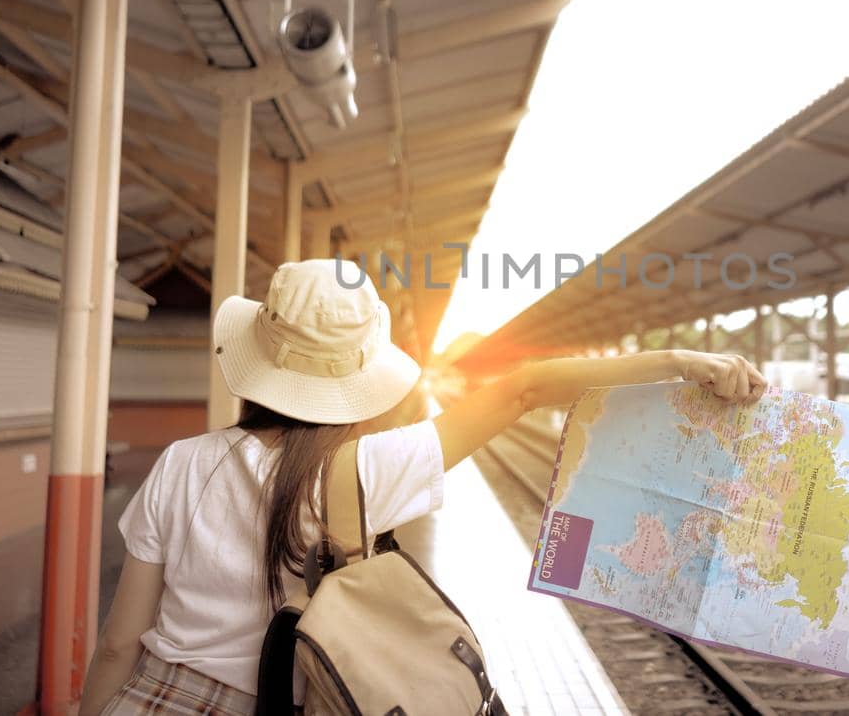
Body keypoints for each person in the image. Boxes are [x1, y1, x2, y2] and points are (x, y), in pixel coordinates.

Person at [80, 259, 766, 715]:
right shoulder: (373, 469)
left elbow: (118, 642)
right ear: (359, 372)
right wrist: (679, 362)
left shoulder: (179, 463)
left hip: (155, 699)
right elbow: (522, 388)